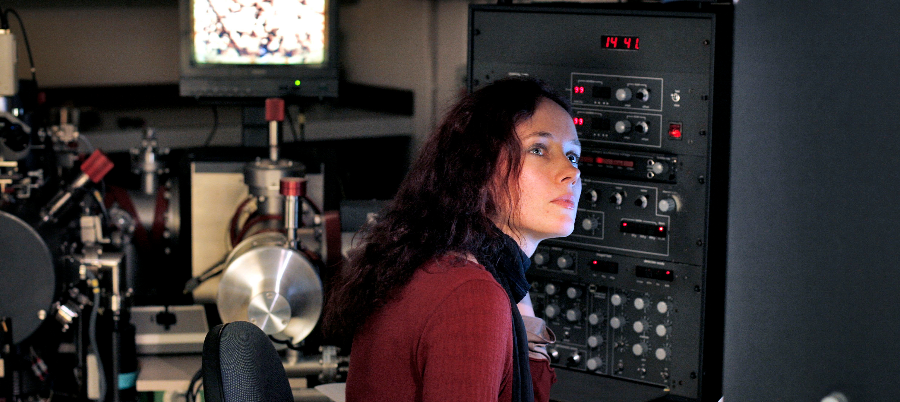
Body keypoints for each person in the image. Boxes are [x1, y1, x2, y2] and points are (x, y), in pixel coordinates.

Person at [323, 76, 582, 402]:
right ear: (478, 167)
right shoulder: (472, 293)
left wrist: (517, 287)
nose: (570, 172)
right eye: (538, 149)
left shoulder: (449, 262)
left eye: (573, 156)